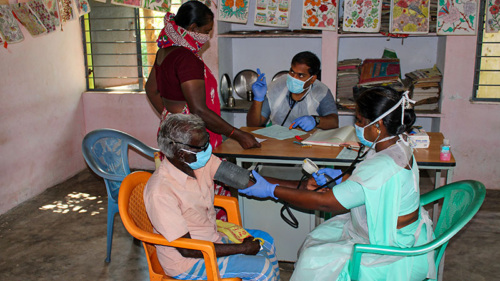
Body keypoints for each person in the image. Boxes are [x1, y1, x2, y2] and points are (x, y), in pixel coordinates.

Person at [239, 87, 436, 280]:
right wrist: (342, 177)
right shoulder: (396, 143)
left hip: (390, 247)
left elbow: (324, 202)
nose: (356, 126)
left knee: (313, 258)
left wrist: (271, 190)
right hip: (393, 229)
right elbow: (375, 186)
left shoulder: (383, 163)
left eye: (359, 121)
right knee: (315, 239)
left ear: (378, 125)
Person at [144, 113, 280, 281]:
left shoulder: (196, 161)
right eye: (201, 146)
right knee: (262, 268)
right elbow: (188, 250)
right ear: (180, 154)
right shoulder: (160, 191)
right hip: (188, 261)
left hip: (211, 236)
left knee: (266, 242)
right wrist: (241, 248)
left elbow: (241, 178)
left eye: (206, 141)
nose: (208, 149)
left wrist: (291, 187)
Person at [145, 0, 260, 150]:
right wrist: (238, 134)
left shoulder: (164, 52)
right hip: (190, 138)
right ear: (193, 28)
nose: (207, 37)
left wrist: (170, 117)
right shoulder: (187, 59)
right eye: (206, 31)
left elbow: (151, 90)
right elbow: (198, 110)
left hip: (172, 134)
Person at [247, 51, 339, 131]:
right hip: (278, 143)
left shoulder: (321, 91)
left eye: (301, 75)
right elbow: (253, 125)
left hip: (309, 144)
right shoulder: (276, 86)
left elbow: (334, 122)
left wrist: (316, 120)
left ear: (312, 79)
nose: (294, 78)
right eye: (292, 72)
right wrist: (258, 99)